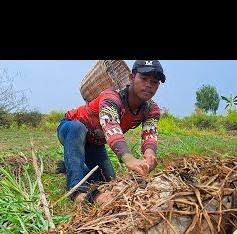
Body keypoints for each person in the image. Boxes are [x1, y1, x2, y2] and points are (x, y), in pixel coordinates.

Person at [56, 60, 166, 204]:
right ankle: (77, 193)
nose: (149, 85)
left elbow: (150, 134)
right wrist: (128, 158)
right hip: (71, 129)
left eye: (155, 82)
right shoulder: (112, 96)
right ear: (132, 78)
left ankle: (69, 165)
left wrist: (150, 154)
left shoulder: (151, 109)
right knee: (78, 128)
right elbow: (111, 127)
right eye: (144, 79)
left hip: (95, 142)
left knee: (107, 179)